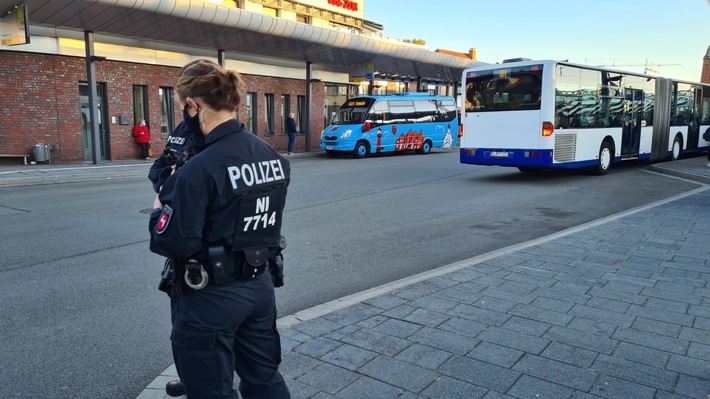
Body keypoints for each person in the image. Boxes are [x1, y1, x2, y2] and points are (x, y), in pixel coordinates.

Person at [148, 59, 291, 399]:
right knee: (264, 379)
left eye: (184, 106)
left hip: (210, 298)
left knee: (211, 391)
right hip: (259, 287)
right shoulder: (271, 156)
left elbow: (173, 242)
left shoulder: (198, 170)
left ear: (194, 106)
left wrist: (158, 208)